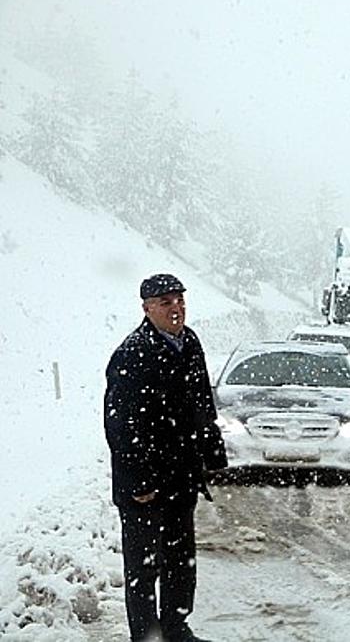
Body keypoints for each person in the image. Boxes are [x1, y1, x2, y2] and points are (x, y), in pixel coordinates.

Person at [104, 273, 227, 642]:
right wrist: (138, 481)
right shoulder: (132, 353)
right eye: (165, 302)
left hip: (181, 477)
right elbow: (120, 426)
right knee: (144, 567)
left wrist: (212, 447)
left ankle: (175, 627)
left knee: (179, 561)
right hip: (146, 484)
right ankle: (146, 636)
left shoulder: (189, 343)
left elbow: (202, 403)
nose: (176, 308)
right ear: (146, 309)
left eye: (179, 300)